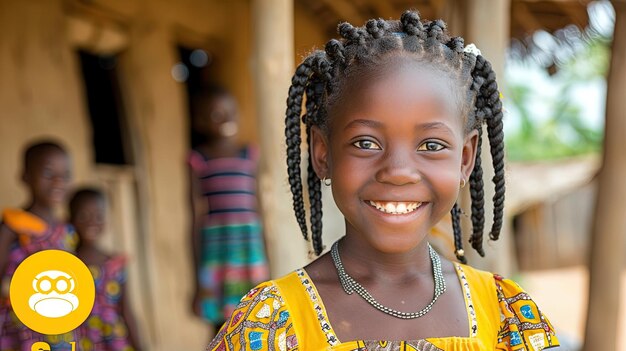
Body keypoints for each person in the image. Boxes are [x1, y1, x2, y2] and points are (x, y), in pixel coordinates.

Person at [208, 11, 560, 351]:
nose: (397, 171)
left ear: (465, 159)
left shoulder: (503, 314)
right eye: (366, 143)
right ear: (322, 153)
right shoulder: (272, 322)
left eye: (431, 145)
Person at [188, 86, 269, 333]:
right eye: (215, 114)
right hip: (216, 248)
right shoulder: (198, 158)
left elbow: (259, 209)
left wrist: (266, 259)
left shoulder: (249, 154)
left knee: (253, 319)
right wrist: (197, 277)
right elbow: (194, 216)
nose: (225, 119)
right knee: (220, 325)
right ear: (200, 121)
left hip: (248, 245)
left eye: (230, 112)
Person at [0, 140, 78, 351]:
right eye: (48, 173)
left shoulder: (67, 231)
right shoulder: (13, 225)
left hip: (61, 326)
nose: (58, 181)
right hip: (21, 328)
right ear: (25, 176)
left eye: (65, 174)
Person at [69, 188, 141, 351]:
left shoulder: (115, 265)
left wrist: (141, 346)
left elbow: (127, 311)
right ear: (70, 219)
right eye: (83, 216)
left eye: (99, 216)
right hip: (79, 342)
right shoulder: (67, 265)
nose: (92, 222)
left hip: (114, 342)